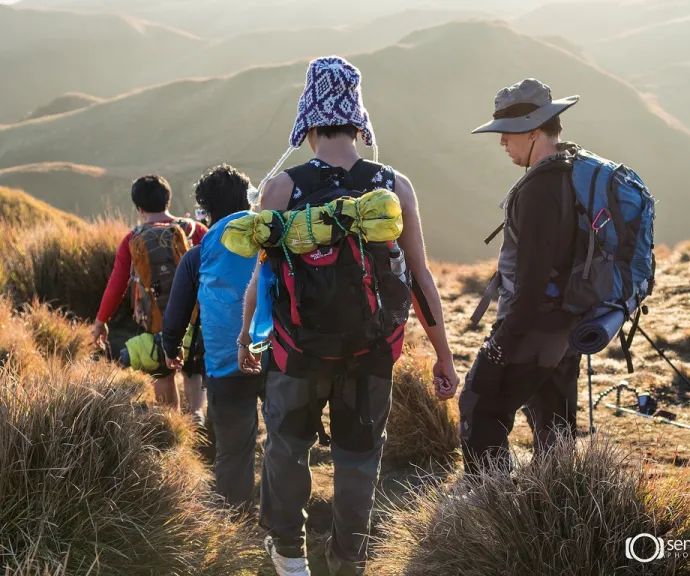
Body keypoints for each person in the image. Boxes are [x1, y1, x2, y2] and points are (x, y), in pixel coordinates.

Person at [237, 56, 459, 576]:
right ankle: (349, 561)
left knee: (288, 448)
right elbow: (420, 279)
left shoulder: (282, 188)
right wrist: (444, 356)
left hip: (298, 352)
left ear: (308, 117)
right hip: (371, 352)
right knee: (359, 460)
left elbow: (264, 278)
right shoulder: (392, 186)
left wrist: (248, 337)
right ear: (358, 115)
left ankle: (290, 555)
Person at [460, 78, 584, 474]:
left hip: (534, 326)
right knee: (556, 427)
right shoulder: (574, 172)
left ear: (533, 131)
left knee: (479, 406)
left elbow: (531, 277)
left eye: (507, 134)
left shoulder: (538, 191)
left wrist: (503, 341)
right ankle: (561, 514)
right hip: (569, 320)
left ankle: (491, 511)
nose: (501, 143)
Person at [161, 164, 263, 512]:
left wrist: (170, 348)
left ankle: (235, 524)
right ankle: (284, 525)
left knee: (233, 450)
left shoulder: (199, 255)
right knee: (287, 443)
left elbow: (175, 315)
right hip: (278, 357)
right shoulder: (273, 239)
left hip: (224, 363)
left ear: (205, 210)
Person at [91, 175, 208, 422]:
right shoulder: (193, 230)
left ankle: (172, 423)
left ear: (139, 207)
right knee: (192, 367)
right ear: (168, 199)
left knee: (161, 372)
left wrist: (101, 321)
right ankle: (196, 413)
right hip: (194, 314)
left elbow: (117, 284)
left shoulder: (132, 239)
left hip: (153, 318)